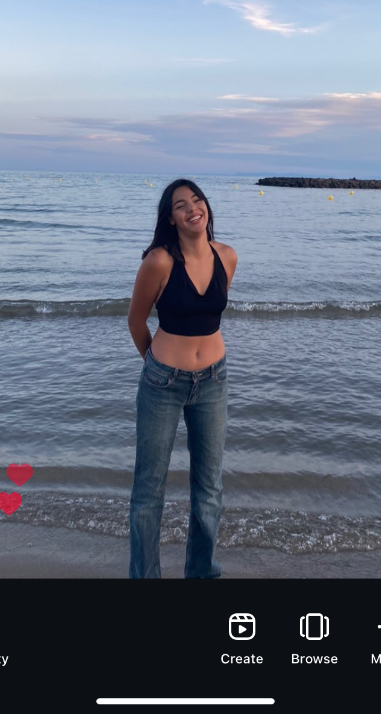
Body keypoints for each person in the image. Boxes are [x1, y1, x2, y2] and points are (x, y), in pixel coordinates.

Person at [127, 178, 237, 578]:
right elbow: (136, 321)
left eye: (197, 199)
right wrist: (159, 367)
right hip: (163, 383)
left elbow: (208, 315)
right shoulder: (158, 262)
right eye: (180, 205)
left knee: (209, 489)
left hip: (214, 381)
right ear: (170, 218)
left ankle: (201, 572)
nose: (193, 208)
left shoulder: (227, 256)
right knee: (149, 491)